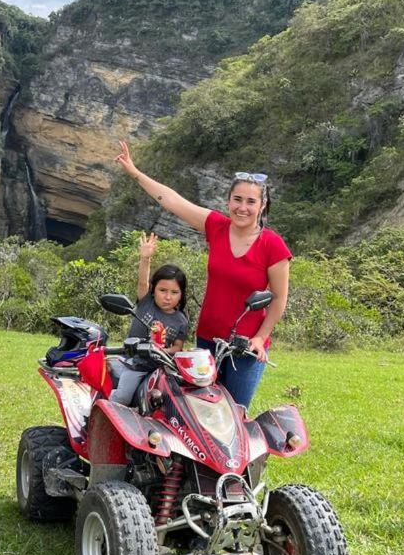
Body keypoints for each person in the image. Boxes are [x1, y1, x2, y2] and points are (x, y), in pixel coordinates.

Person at [114, 140, 291, 410]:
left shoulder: (272, 245)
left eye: (251, 202)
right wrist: (135, 172)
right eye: (237, 200)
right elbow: (173, 201)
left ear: (263, 205)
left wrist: (260, 337)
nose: (243, 207)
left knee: (235, 414)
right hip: (208, 339)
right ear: (228, 201)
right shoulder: (217, 226)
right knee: (201, 410)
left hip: (244, 346)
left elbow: (278, 299)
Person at [109, 232, 189, 406]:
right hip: (136, 365)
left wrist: (161, 351)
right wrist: (145, 259)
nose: (168, 297)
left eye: (174, 292)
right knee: (123, 397)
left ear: (181, 295)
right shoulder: (147, 303)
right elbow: (143, 283)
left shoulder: (181, 320)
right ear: (154, 290)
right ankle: (104, 412)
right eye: (163, 290)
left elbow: (177, 347)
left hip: (162, 369)